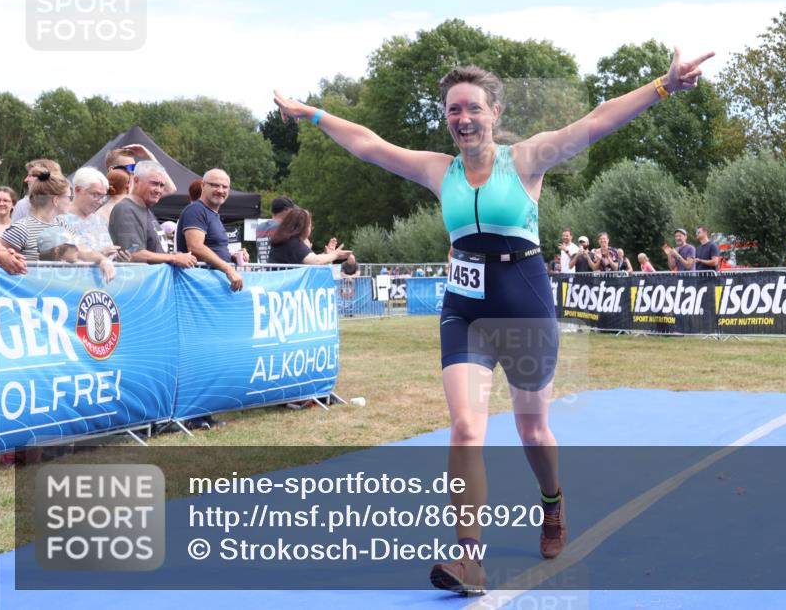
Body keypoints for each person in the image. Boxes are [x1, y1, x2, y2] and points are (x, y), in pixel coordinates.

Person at [274, 46, 712, 595]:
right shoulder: (439, 171)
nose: (463, 119)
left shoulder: (525, 160)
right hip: (465, 309)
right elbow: (369, 144)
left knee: (532, 429)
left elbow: (598, 121)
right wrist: (311, 113)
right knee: (465, 426)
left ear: (495, 113)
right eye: (453, 110)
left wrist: (664, 86)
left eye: (473, 108)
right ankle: (470, 560)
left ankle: (552, 502)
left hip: (523, 302)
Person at [0, 166, 115, 282]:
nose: (71, 201)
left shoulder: (60, 223)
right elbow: (0, 261)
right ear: (56, 200)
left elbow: (80, 249)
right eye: (69, 197)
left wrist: (103, 260)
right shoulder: (21, 229)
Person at [108, 161, 197, 268]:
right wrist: (174, 258)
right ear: (136, 180)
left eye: (162, 185)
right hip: (140, 277)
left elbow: (154, 250)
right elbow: (134, 254)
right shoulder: (126, 209)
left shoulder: (145, 209)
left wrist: (176, 256)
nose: (159, 190)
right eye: (154, 183)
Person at [176, 168, 248, 291]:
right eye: (215, 185)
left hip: (212, 287)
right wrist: (228, 268)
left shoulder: (213, 214)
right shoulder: (196, 210)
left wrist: (233, 257)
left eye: (225, 187)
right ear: (203, 186)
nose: (220, 190)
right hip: (198, 288)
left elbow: (214, 249)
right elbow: (195, 247)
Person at [58, 167, 121, 259]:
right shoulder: (60, 219)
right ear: (78, 190)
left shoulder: (99, 220)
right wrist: (99, 257)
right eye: (96, 195)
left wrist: (120, 259)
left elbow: (110, 253)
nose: (100, 201)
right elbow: (63, 257)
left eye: (103, 196)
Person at [267, 207, 352, 265]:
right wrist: (335, 254)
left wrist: (327, 255)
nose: (312, 229)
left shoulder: (285, 240)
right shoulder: (293, 243)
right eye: (310, 226)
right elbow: (316, 261)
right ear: (302, 227)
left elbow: (310, 259)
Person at [256, 196, 296, 263]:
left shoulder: (259, 227)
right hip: (281, 268)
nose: (293, 214)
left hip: (264, 267)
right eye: (292, 211)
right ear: (286, 210)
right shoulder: (285, 227)